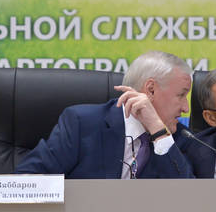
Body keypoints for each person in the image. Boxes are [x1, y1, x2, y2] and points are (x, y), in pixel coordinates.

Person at [15, 50, 194, 178]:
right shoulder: (82, 124)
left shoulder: (178, 138)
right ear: (151, 90)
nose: (186, 108)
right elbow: (26, 181)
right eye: (181, 95)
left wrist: (157, 130)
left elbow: (189, 198)